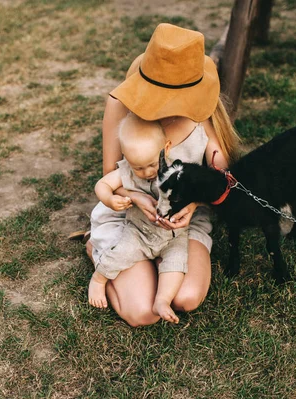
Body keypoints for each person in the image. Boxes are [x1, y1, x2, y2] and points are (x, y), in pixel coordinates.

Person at [86, 23, 241, 327]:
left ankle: (155, 263)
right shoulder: (120, 104)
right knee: (142, 313)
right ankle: (98, 247)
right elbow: (111, 176)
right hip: (132, 218)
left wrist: (194, 205)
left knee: (187, 297)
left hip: (181, 224)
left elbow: (223, 179)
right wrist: (137, 198)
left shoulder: (201, 112)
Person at [88, 113, 189, 324]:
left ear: (166, 147)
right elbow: (102, 184)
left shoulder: (178, 168)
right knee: (122, 253)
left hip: (173, 234)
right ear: (126, 157)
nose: (147, 172)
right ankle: (99, 279)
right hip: (139, 232)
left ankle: (162, 300)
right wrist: (110, 198)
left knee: (177, 261)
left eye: (152, 164)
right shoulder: (128, 171)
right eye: (139, 167)